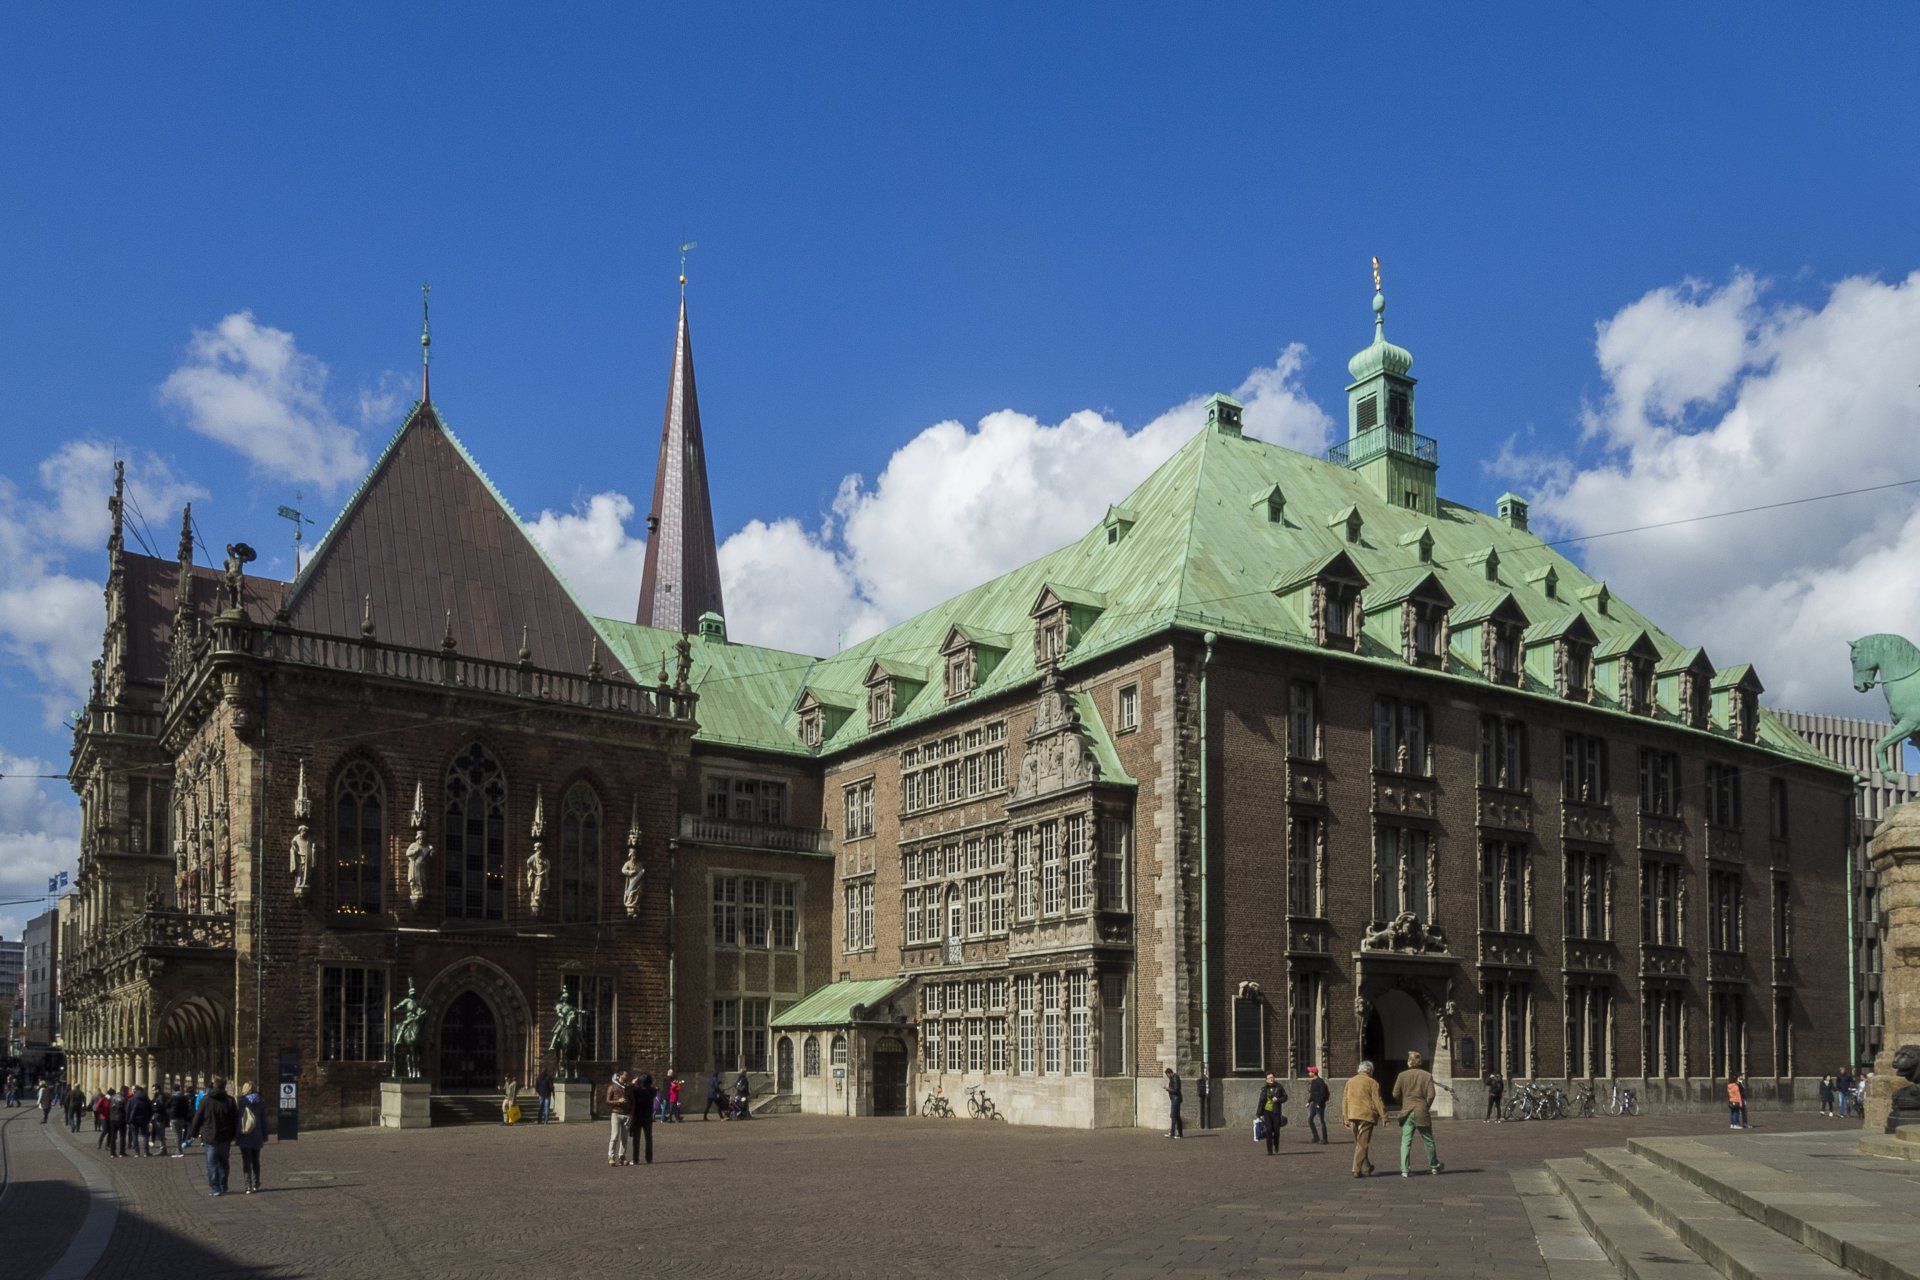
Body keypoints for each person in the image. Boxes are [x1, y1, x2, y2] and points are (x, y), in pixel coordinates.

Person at [1393, 1052, 1443, 1177]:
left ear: (1409, 1062)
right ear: (1420, 1062)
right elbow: (1431, 1095)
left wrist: (1402, 1103)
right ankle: (1434, 1166)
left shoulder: (1401, 1075)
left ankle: (1405, 1169)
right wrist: (1426, 1106)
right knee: (1428, 1139)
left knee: (1406, 1141)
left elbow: (1395, 1093)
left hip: (1407, 1111)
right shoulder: (1427, 1075)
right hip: (1421, 1110)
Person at [189, 1075, 239, 1196]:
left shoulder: (206, 1100)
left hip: (210, 1135)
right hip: (225, 1136)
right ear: (224, 1086)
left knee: (211, 1163)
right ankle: (223, 1185)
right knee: (224, 1161)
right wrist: (235, 1134)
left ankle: (215, 1187)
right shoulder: (230, 1100)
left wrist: (194, 1133)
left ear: (214, 1085)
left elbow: (198, 1117)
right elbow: (236, 1119)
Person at [1343, 1060, 1386, 1178]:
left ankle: (1366, 1168)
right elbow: (1378, 1100)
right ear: (1370, 1071)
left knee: (1359, 1144)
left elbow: (1345, 1101)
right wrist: (1384, 1116)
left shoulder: (1350, 1081)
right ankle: (1356, 1169)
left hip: (1352, 1115)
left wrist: (1345, 1118)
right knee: (1362, 1144)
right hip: (1366, 1116)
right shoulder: (1372, 1082)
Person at [235, 1081, 268, 1193]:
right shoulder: (261, 1101)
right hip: (257, 1134)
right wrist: (264, 1135)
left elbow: (238, 1119)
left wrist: (236, 1134)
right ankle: (256, 1182)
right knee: (255, 1160)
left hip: (245, 1134)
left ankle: (247, 1185)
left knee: (246, 1160)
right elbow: (264, 1121)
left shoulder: (241, 1102)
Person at [630, 1072, 659, 1165]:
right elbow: (654, 1089)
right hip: (648, 1116)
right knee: (648, 1139)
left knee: (636, 1139)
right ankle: (649, 1159)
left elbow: (630, 1091)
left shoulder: (636, 1090)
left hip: (637, 1116)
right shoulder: (652, 1090)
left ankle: (635, 1159)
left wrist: (633, 1083)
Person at [606, 1070, 633, 1165]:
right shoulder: (612, 1087)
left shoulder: (629, 1088)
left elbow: (632, 1101)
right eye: (625, 1075)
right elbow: (607, 1101)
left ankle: (622, 1156)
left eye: (627, 1075)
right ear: (620, 1076)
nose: (627, 1077)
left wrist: (631, 1113)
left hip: (627, 1114)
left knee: (624, 1138)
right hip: (616, 1114)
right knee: (614, 1136)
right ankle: (611, 1156)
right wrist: (618, 1101)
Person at [1256, 1072, 1287, 1155]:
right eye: (1269, 1078)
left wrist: (1278, 1099)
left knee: (1276, 1130)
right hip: (1267, 1112)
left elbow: (1285, 1097)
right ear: (1266, 1080)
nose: (1271, 1079)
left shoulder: (1279, 1087)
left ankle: (1276, 1145)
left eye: (1272, 1077)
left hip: (1276, 1112)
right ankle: (1269, 1150)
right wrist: (1259, 1113)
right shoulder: (1264, 1089)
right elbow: (1261, 1101)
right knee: (1268, 1130)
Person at [1305, 1066, 1330, 1144]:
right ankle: (1316, 1137)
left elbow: (1323, 1094)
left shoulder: (1320, 1082)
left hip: (1319, 1105)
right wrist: (1309, 1102)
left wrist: (1319, 1103)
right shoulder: (1313, 1081)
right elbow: (1312, 1094)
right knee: (1310, 1119)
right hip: (1313, 1104)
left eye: (1310, 1072)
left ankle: (1325, 1139)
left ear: (1314, 1073)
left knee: (1321, 1121)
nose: (1309, 1073)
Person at [127, 1086, 153, 1156]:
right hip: (144, 1119)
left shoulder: (131, 1099)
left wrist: (128, 1120)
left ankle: (137, 1153)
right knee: (145, 1135)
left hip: (134, 1120)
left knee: (134, 1135)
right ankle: (146, 1152)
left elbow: (128, 1110)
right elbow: (151, 1110)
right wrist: (148, 1119)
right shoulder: (147, 1099)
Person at [170, 1083, 193, 1154]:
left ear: (173, 1089)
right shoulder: (184, 1097)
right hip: (182, 1118)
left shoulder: (172, 1097)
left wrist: (170, 1113)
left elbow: (167, 1105)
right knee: (180, 1134)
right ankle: (180, 1148)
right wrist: (184, 1115)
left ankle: (179, 1150)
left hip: (174, 1117)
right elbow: (187, 1107)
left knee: (176, 1134)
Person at [1163, 1067, 1184, 1138]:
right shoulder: (1173, 1078)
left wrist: (1168, 1089)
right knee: (1177, 1116)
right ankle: (1180, 1134)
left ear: (1169, 1073)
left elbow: (1176, 1090)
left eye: (1167, 1075)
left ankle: (1172, 1133)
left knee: (1173, 1115)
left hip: (1176, 1099)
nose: (1167, 1077)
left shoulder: (1175, 1078)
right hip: (1175, 1099)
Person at [1197, 1065, 1212, 1130]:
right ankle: (1203, 1125)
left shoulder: (1205, 1081)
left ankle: (1204, 1125)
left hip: (1204, 1093)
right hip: (1202, 1093)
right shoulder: (1200, 1081)